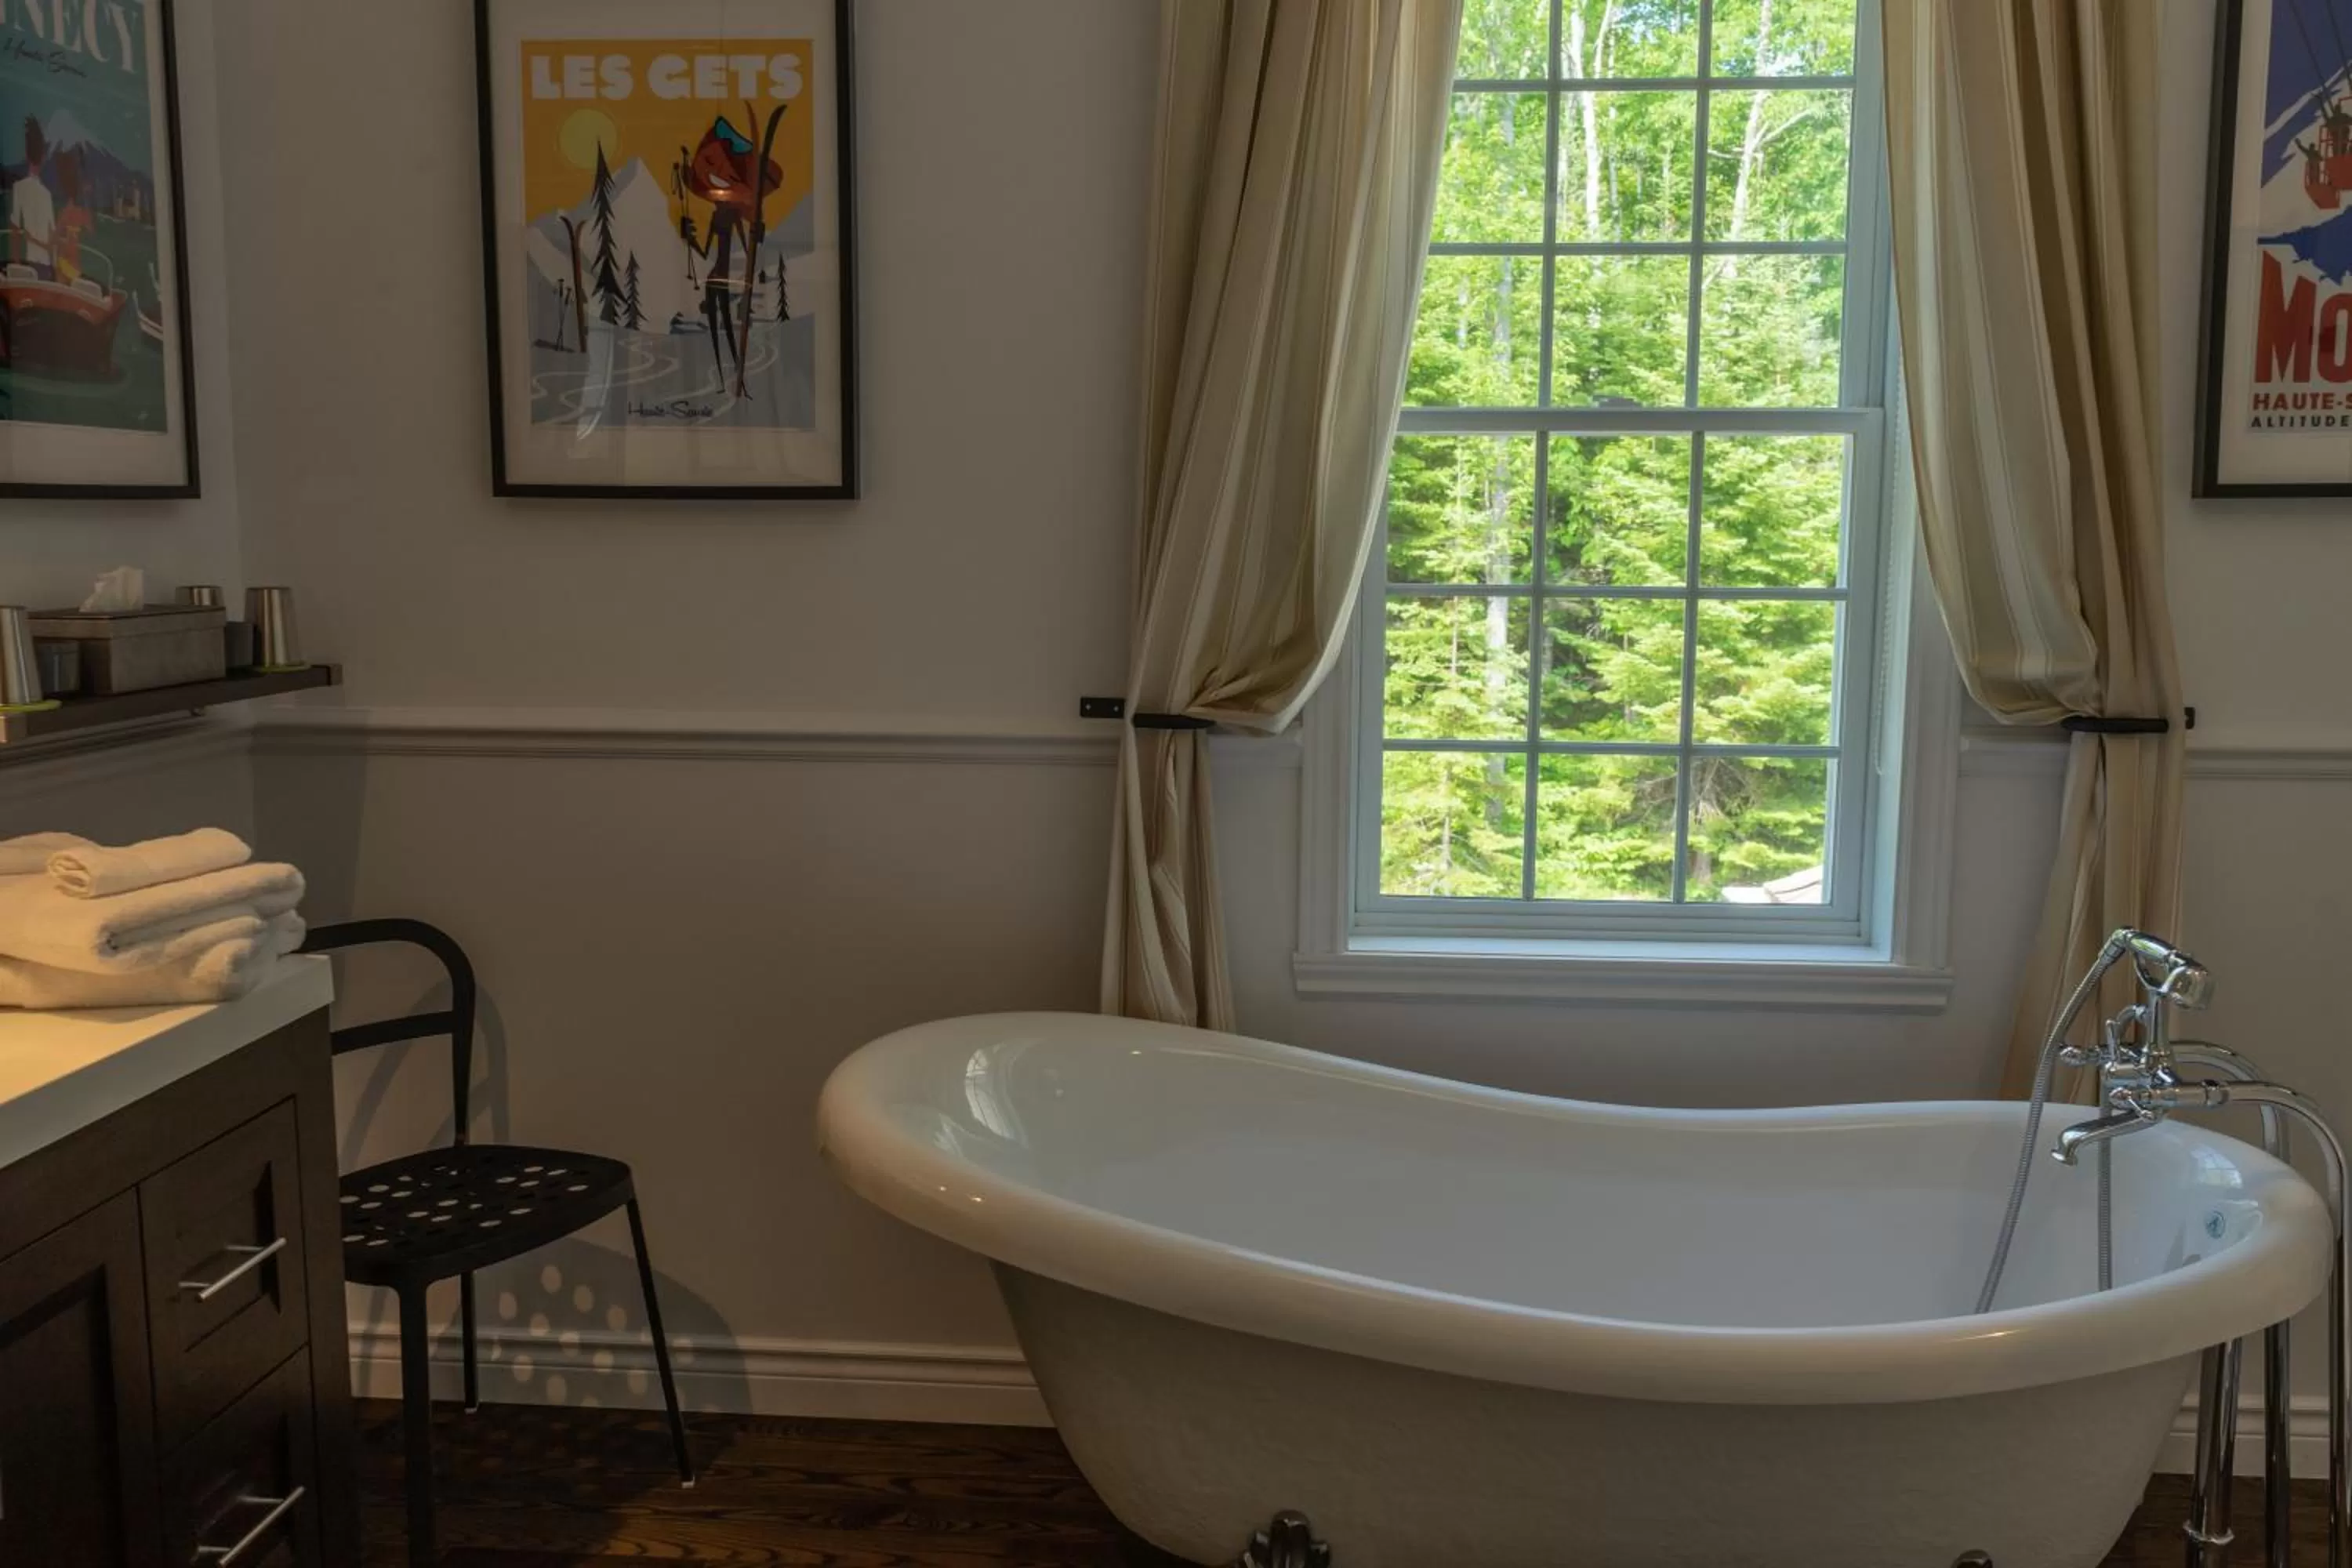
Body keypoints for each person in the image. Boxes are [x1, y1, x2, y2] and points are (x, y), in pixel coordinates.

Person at [9, 116, 56, 277]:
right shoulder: (47, 195)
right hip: (46, 268)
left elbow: (15, 233)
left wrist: (16, 265)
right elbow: (52, 243)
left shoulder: (18, 188)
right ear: (43, 158)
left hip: (27, 266)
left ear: (27, 155)